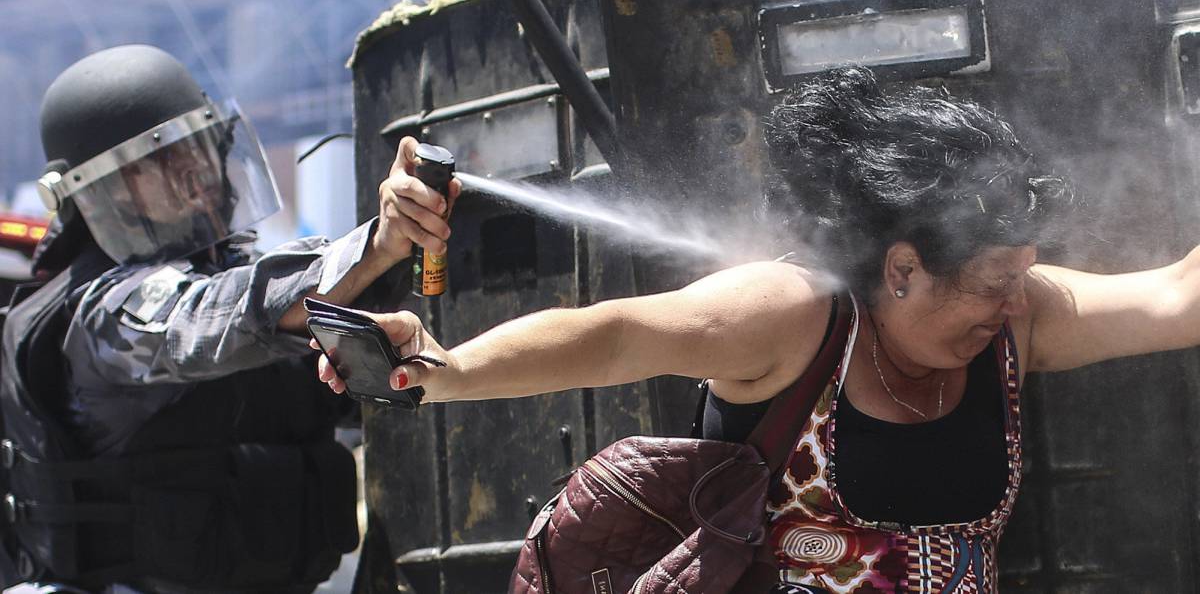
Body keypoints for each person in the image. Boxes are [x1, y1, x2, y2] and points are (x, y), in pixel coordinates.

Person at [318, 66, 1200, 592]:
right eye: (996, 282)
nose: (1019, 299)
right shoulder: (796, 316)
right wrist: (449, 368)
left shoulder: (1017, 321)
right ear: (902, 269)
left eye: (1022, 276)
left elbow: (1178, 296)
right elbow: (616, 335)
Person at [0, 44, 448, 593]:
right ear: (97, 194)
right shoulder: (100, 311)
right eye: (156, 161)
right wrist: (376, 246)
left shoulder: (247, 277)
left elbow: (390, 377)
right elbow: (215, 319)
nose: (192, 170)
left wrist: (420, 243)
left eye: (198, 145)